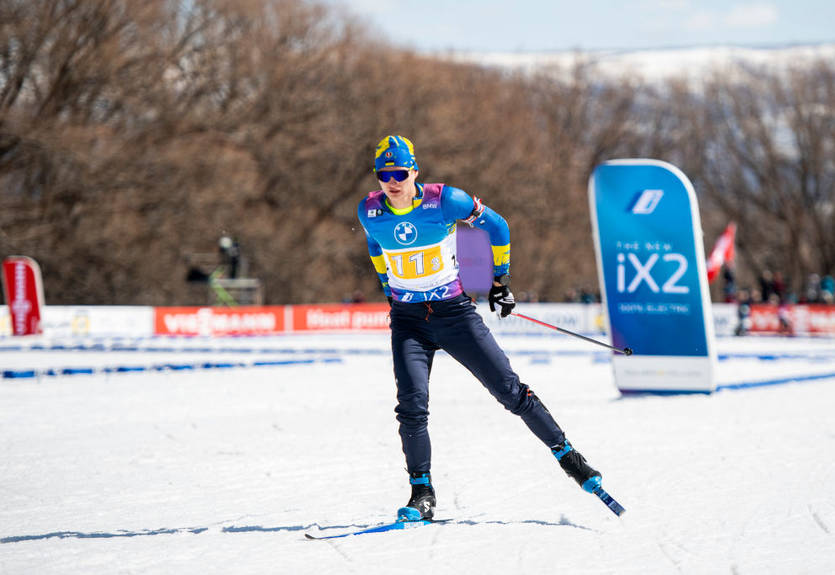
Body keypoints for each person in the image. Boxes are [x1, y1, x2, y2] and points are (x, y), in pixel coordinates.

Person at [357, 135, 604, 522]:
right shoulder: (369, 210)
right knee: (411, 407)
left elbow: (498, 227)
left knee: (510, 392)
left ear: (414, 172)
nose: (392, 181)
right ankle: (422, 493)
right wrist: (388, 287)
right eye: (384, 174)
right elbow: (375, 245)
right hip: (409, 321)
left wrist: (501, 281)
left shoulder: (446, 201)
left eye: (400, 173)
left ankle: (570, 458)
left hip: (454, 314)